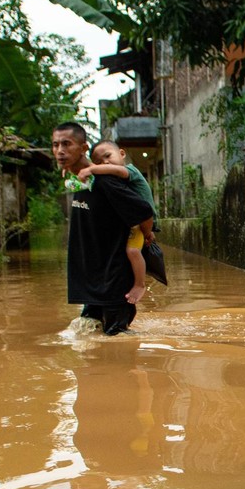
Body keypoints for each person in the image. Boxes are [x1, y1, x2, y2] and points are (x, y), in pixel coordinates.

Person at [52, 122, 154, 335]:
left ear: (83, 148)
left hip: (115, 285)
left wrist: (146, 234)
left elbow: (143, 210)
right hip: (93, 284)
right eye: (55, 145)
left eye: (66, 144)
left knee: (118, 345)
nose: (60, 151)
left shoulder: (105, 181)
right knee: (91, 346)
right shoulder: (81, 181)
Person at [77, 140, 159, 305]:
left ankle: (140, 284)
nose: (105, 162)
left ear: (122, 154)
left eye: (108, 156)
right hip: (134, 222)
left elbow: (114, 170)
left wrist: (92, 168)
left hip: (143, 219)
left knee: (132, 252)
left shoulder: (129, 171)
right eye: (100, 161)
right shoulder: (115, 181)